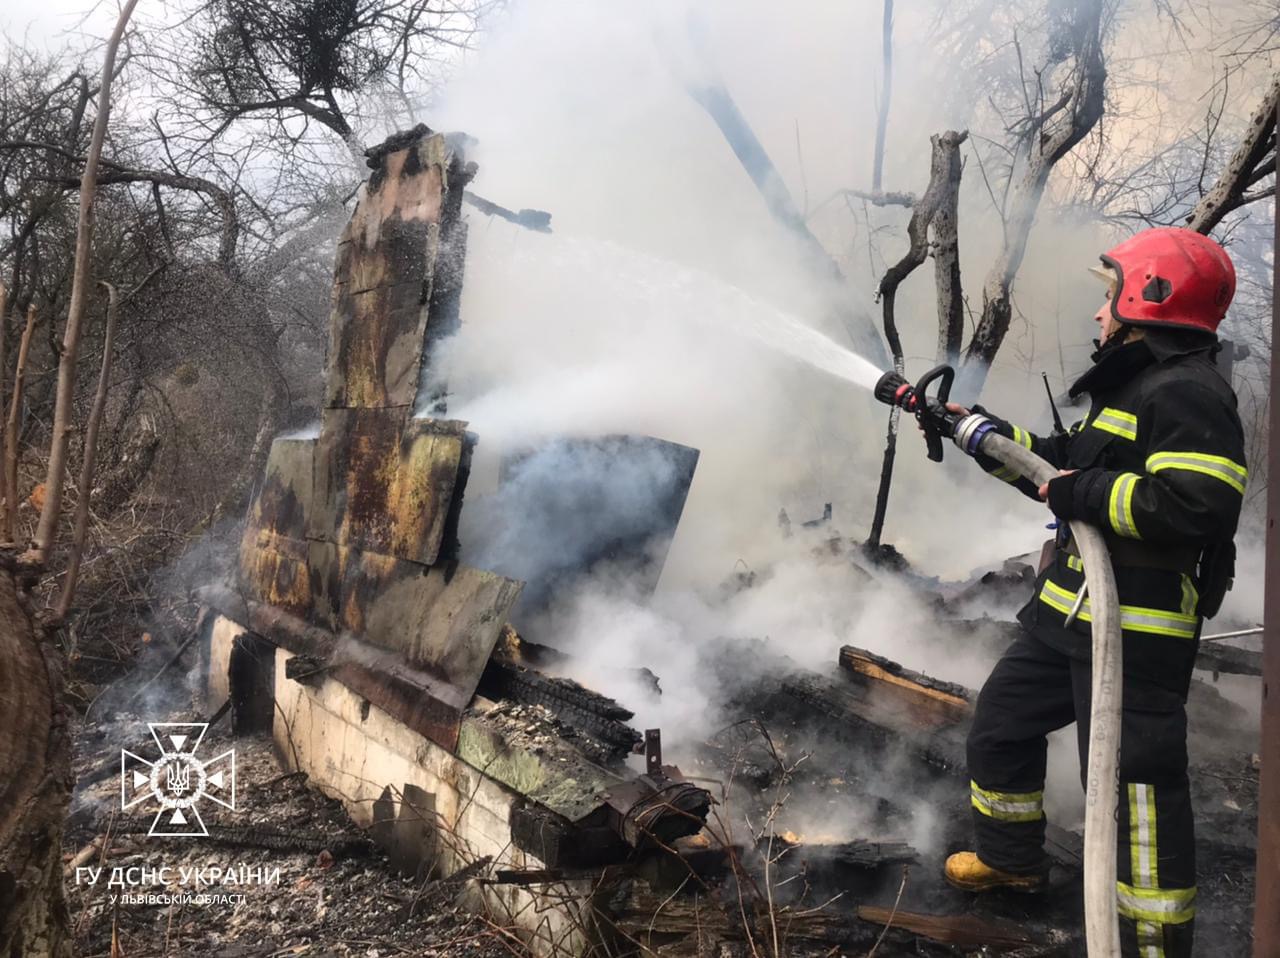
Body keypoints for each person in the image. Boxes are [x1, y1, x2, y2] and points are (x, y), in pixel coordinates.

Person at [941, 226, 1246, 958]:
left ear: (1151, 297)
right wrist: (974, 432)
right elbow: (1060, 471)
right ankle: (1012, 865)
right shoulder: (1134, 386)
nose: (1099, 315)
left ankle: (1148, 940)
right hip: (1068, 615)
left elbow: (1196, 506)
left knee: (1135, 793)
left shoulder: (1188, 391)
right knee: (1002, 723)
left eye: (1109, 298)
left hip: (1135, 633)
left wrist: (1085, 488)